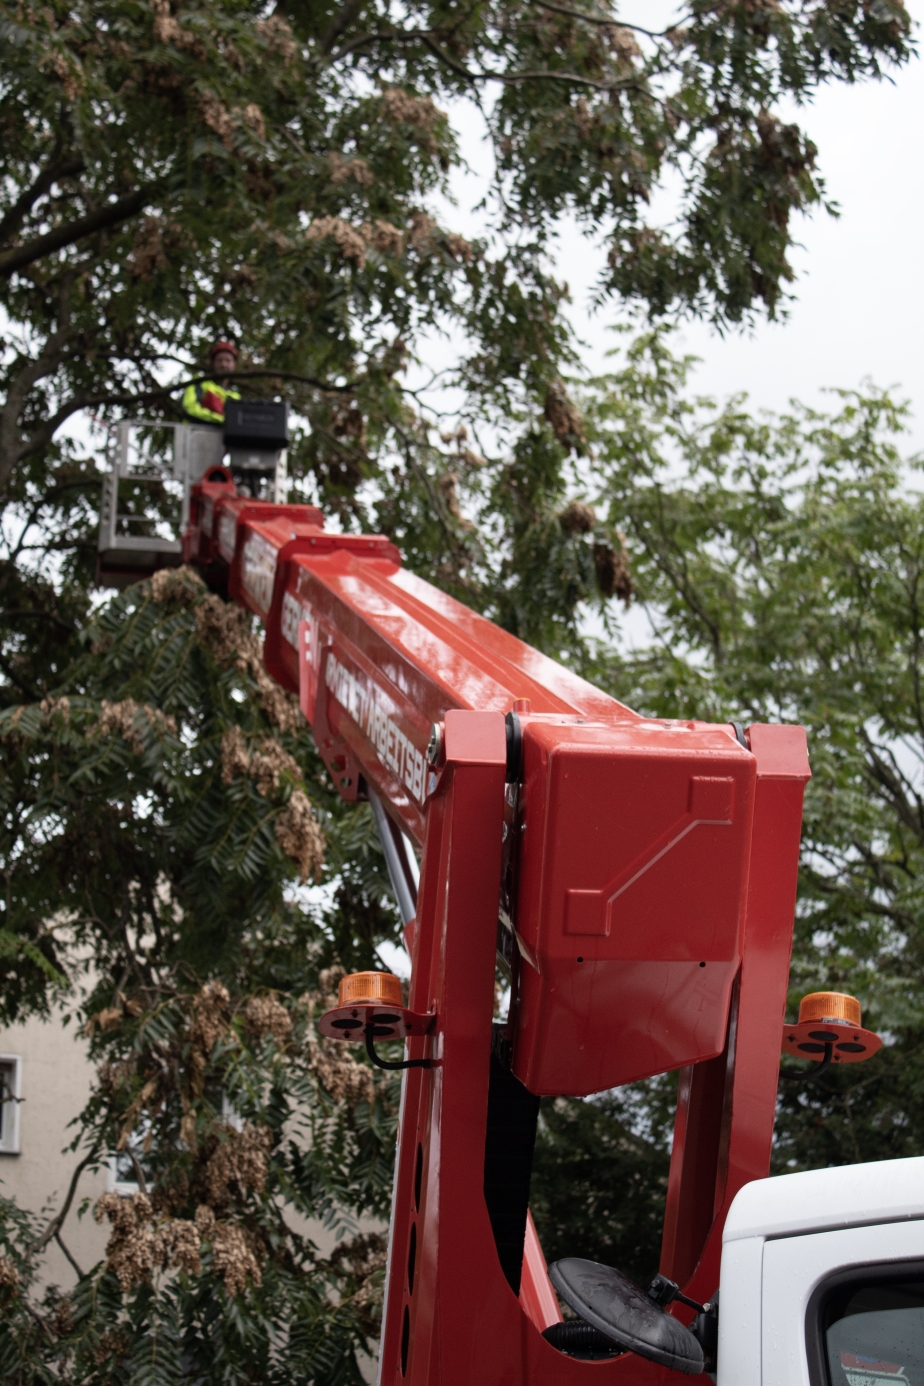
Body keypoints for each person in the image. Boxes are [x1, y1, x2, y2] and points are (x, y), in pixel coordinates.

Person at [182, 341, 242, 424]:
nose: (223, 364)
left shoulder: (236, 396)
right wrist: (222, 421)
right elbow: (190, 409)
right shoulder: (198, 383)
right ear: (213, 363)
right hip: (194, 434)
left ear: (234, 365)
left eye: (228, 360)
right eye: (219, 360)